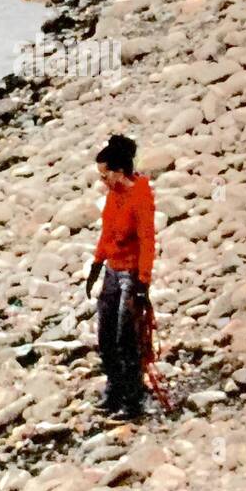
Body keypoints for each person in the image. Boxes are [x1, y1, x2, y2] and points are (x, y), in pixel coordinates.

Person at [84, 134, 155, 419]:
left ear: (118, 171)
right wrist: (96, 264)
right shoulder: (113, 195)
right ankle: (114, 392)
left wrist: (143, 283)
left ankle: (133, 400)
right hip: (112, 271)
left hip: (130, 275)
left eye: (104, 175)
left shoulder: (140, 197)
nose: (102, 181)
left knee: (127, 339)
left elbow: (147, 242)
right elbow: (107, 232)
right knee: (105, 336)